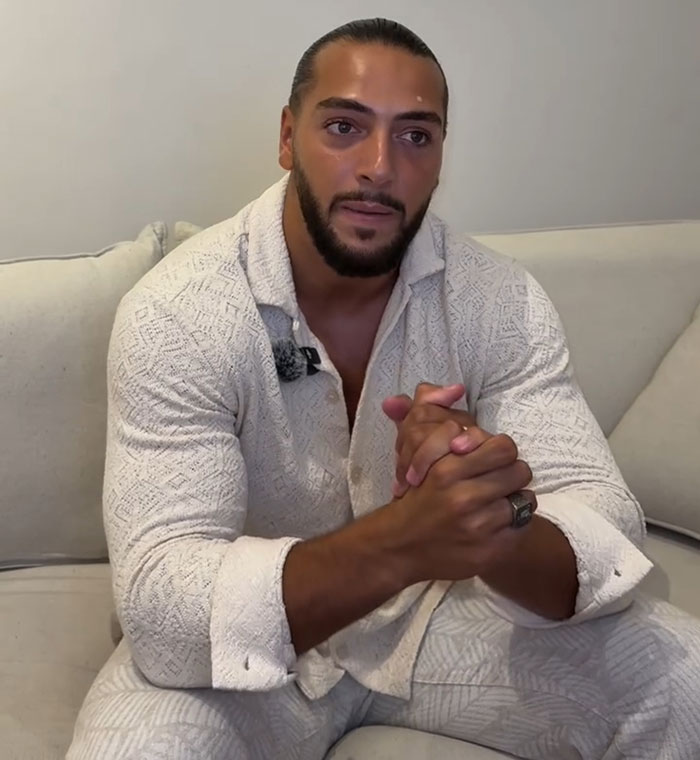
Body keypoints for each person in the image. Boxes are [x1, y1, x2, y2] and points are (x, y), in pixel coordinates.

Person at [68, 17, 700, 760]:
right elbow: (164, 611)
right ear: (287, 137)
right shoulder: (178, 312)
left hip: (434, 620)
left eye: (415, 136)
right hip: (249, 652)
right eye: (344, 126)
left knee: (686, 679)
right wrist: (407, 539)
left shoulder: (499, 299)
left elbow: (607, 527)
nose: (379, 166)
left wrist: (486, 507)